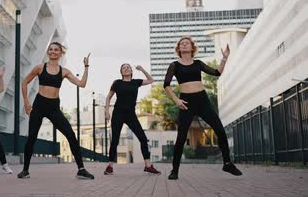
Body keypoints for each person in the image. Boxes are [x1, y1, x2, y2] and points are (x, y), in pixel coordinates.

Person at [163, 36, 242, 180]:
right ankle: (174, 170)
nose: (185, 45)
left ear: (192, 47)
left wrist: (224, 58)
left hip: (202, 100)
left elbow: (217, 73)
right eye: (182, 43)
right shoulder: (174, 65)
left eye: (187, 43)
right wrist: (176, 100)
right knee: (181, 138)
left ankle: (227, 163)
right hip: (185, 102)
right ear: (179, 49)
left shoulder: (198, 63)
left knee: (220, 130)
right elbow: (166, 85)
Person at [17, 42, 95, 180]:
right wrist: (27, 103)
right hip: (39, 105)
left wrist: (86, 67)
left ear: (60, 53)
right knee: (32, 138)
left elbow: (82, 84)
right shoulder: (40, 67)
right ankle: (25, 170)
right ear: (48, 52)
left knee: (71, 135)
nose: (53, 52)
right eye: (51, 49)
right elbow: (24, 83)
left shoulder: (64, 71)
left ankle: (81, 170)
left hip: (54, 107)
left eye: (56, 50)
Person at [103, 64, 161, 175]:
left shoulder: (136, 82)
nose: (126, 68)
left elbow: (151, 80)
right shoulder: (117, 83)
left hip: (131, 115)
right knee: (114, 140)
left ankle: (148, 166)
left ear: (131, 71)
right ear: (121, 72)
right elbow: (108, 97)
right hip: (118, 114)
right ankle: (110, 166)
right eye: (123, 68)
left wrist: (142, 69)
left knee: (143, 139)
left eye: (128, 67)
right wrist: (106, 111)